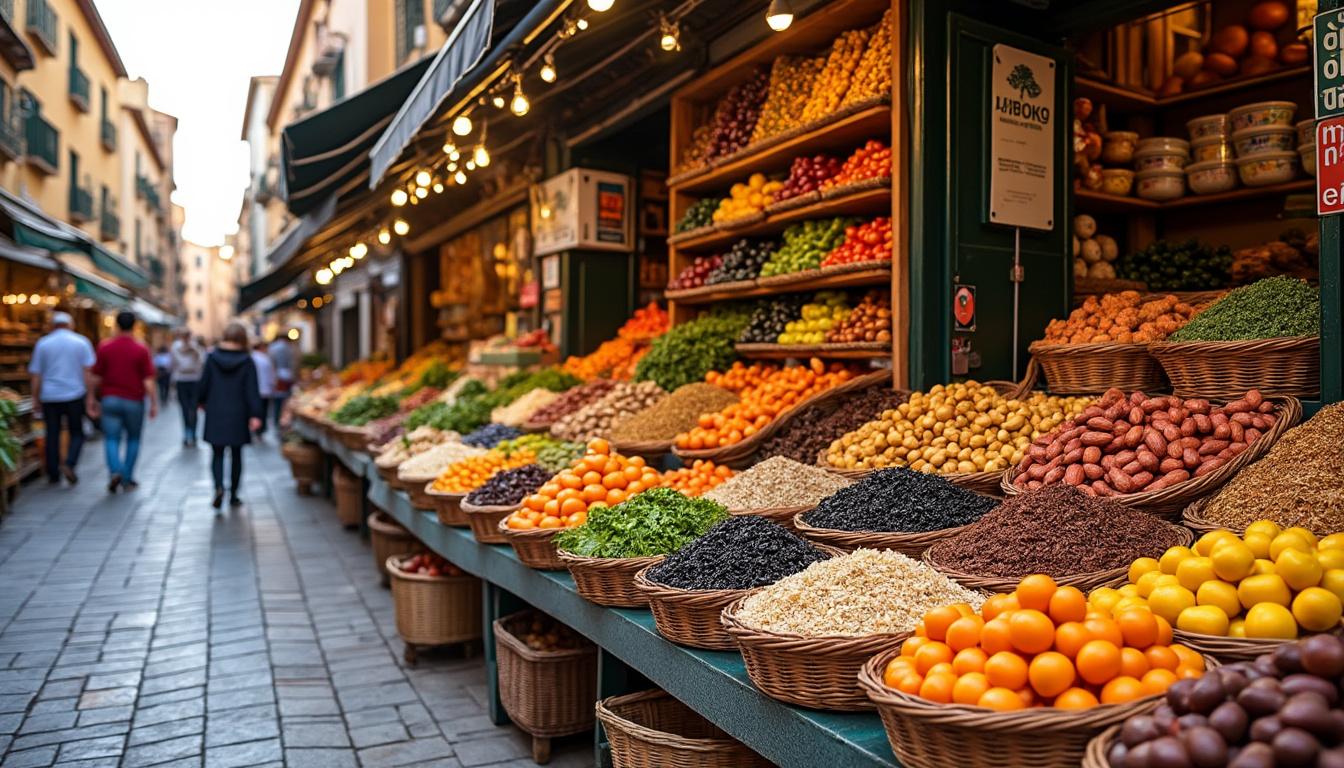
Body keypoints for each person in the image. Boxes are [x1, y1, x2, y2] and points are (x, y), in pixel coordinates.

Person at [88, 311, 157, 493]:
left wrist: (91, 398)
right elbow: (148, 380)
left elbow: (95, 377)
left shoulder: (105, 347)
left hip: (110, 399)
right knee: (133, 438)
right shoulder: (141, 349)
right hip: (134, 401)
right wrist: (154, 402)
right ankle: (127, 477)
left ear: (116, 325)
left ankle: (115, 470)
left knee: (111, 438)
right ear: (134, 326)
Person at [199, 322, 262, 509]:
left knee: (217, 453)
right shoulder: (247, 360)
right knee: (236, 454)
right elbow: (252, 390)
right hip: (239, 412)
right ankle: (234, 494)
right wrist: (255, 414)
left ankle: (218, 487)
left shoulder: (211, 358)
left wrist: (201, 402)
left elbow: (204, 384)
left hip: (216, 411)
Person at [28, 311, 95, 485]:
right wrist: (90, 396)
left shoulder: (43, 344)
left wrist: (34, 398)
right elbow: (88, 373)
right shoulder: (81, 342)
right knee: (77, 432)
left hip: (50, 396)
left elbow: (36, 375)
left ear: (53, 325)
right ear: (70, 324)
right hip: (74, 394)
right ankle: (70, 463)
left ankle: (53, 473)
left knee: (52, 433)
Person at [170, 329, 204, 446]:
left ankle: (193, 433)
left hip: (194, 380)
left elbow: (200, 362)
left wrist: (193, 351)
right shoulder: (176, 347)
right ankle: (187, 432)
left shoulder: (196, 347)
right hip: (182, 380)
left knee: (193, 409)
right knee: (184, 409)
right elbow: (176, 363)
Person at [267, 333, 295, 429]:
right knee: (286, 401)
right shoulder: (289, 348)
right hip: (287, 376)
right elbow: (293, 363)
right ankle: (282, 421)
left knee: (277, 402)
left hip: (277, 376)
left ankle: (276, 421)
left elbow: (271, 363)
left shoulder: (273, 348)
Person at [250, 341, 276, 438]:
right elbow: (270, 375)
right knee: (263, 411)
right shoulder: (265, 359)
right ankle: (260, 430)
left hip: (256, 390)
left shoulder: (251, 358)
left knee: (256, 410)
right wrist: (272, 385)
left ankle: (256, 429)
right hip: (264, 389)